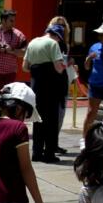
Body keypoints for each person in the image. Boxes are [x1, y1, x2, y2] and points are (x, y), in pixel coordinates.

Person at [24, 23, 69, 163]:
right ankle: (49, 154)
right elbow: (58, 68)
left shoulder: (32, 42)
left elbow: (25, 67)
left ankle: (36, 153)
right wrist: (64, 65)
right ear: (57, 36)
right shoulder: (53, 44)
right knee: (51, 120)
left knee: (38, 119)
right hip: (51, 86)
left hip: (36, 86)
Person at [0, 9, 28, 87]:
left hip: (10, 74)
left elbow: (24, 53)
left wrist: (11, 50)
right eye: (11, 21)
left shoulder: (19, 35)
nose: (14, 23)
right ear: (3, 20)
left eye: (14, 21)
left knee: (7, 97)